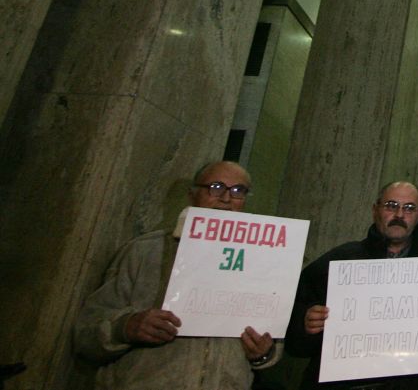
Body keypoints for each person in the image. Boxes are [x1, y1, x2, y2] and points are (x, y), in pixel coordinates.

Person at [73, 160, 280, 389]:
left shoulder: (259, 261)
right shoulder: (146, 250)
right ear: (192, 194)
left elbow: (272, 344)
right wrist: (126, 326)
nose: (226, 198)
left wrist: (264, 353)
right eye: (216, 187)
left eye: (238, 191)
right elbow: (86, 332)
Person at [285, 181, 418, 389]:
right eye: (391, 206)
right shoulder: (337, 261)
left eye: (409, 208)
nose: (400, 215)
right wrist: (306, 324)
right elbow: (294, 338)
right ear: (375, 209)